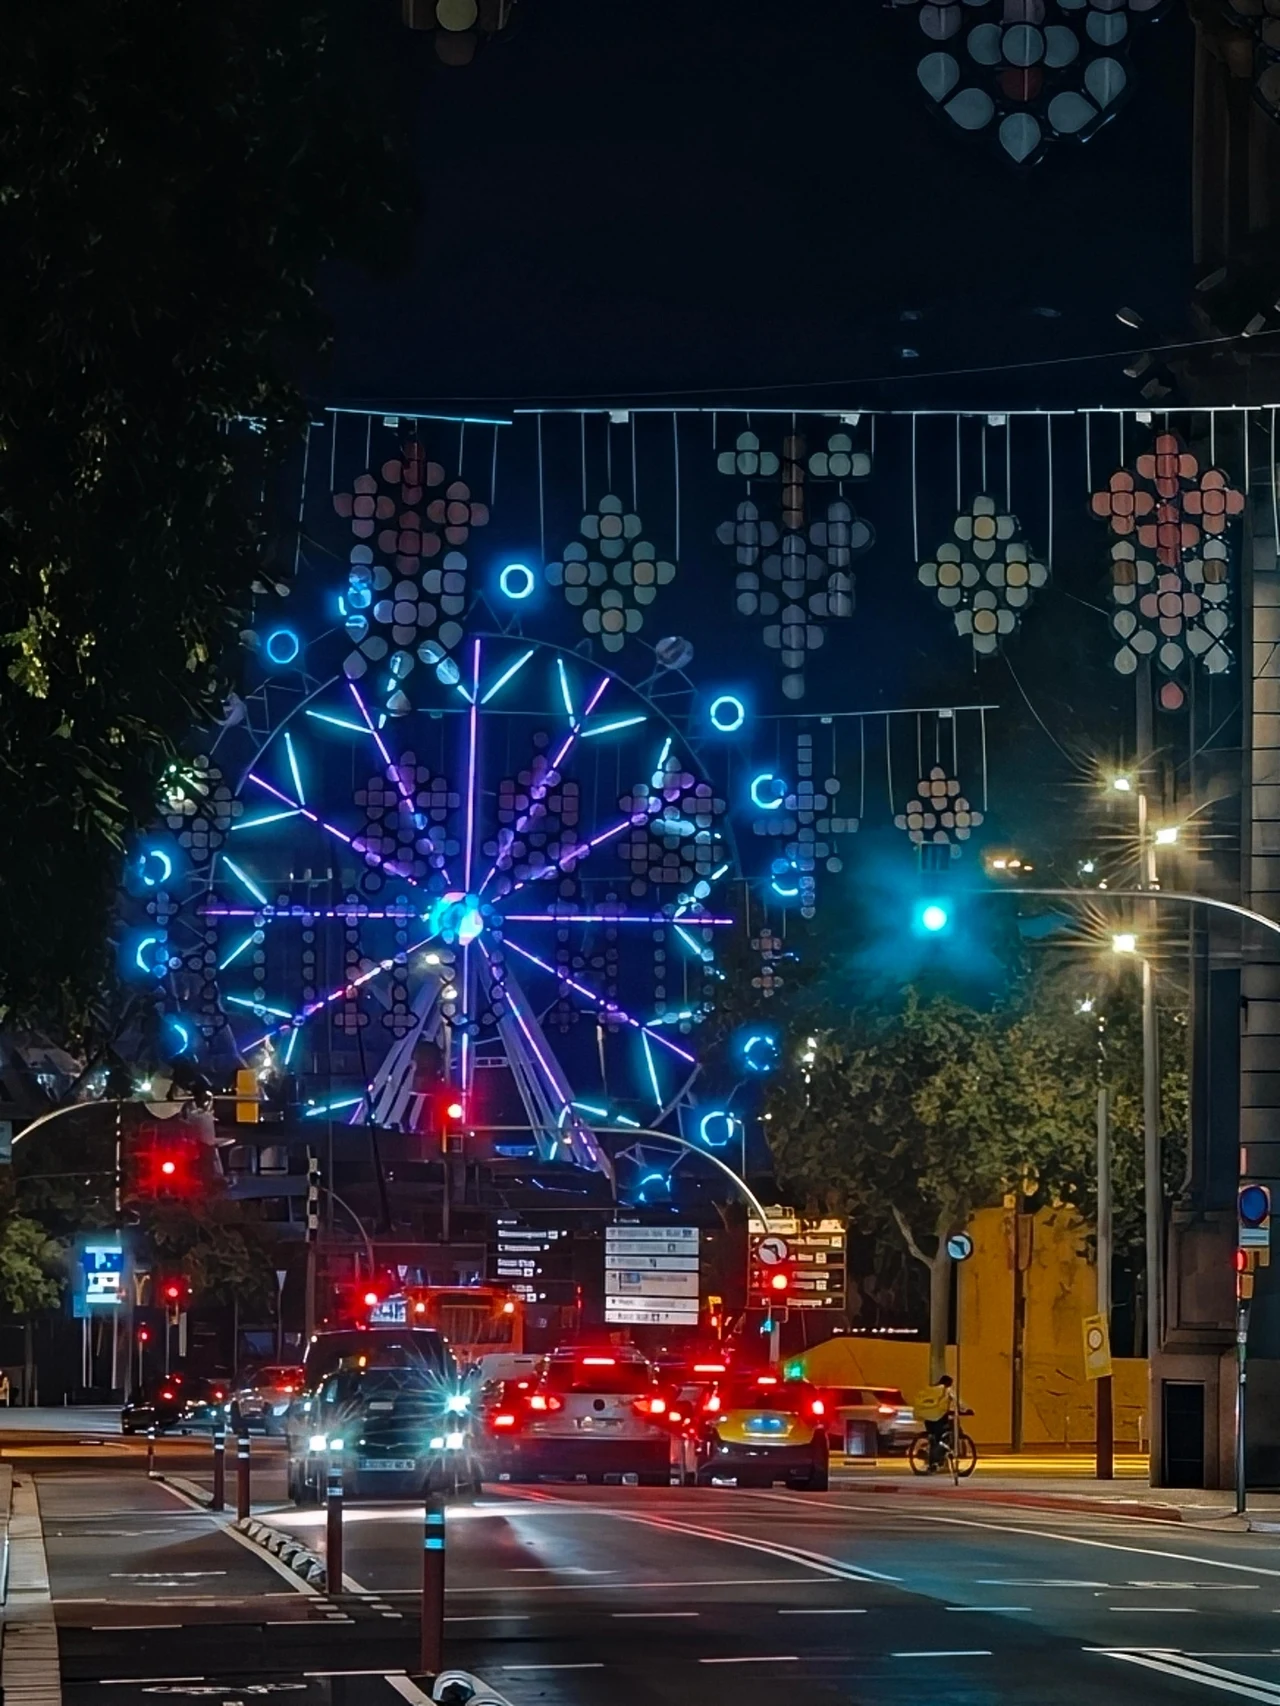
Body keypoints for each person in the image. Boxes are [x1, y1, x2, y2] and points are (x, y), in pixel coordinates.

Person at [914, 1373, 962, 1469]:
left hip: (927, 1418)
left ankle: (931, 1461)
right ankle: (937, 1458)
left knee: (934, 1438)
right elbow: (958, 1401)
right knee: (943, 1438)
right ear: (948, 1383)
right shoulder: (946, 1390)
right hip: (938, 1418)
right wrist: (965, 1409)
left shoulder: (930, 1390)